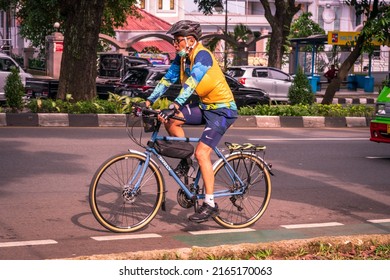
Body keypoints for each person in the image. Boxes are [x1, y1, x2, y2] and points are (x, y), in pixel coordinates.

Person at [144, 20, 238, 223]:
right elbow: (166, 80)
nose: (175, 45)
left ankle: (210, 204)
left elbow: (193, 82)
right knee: (171, 122)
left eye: (178, 41)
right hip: (205, 107)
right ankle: (186, 162)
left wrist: (175, 104)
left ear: (190, 40)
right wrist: (149, 100)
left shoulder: (202, 56)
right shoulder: (182, 59)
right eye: (174, 41)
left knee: (202, 152)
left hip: (222, 111)